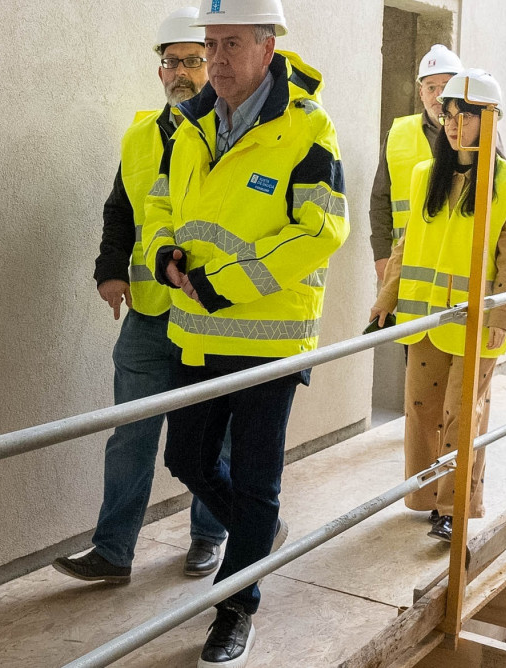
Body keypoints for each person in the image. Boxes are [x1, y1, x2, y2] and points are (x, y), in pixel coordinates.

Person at [141, 0, 348, 664]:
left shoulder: (308, 131)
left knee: (256, 483)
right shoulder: (190, 122)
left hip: (268, 341)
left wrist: (226, 280)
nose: (217, 60)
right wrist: (162, 252)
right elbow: (163, 203)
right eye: (210, 45)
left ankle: (237, 607)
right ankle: (259, 533)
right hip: (196, 330)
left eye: (231, 45)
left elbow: (321, 231)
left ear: (268, 47)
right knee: (187, 460)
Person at [53, 7, 230, 586]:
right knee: (130, 433)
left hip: (206, 315)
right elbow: (120, 210)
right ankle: (114, 551)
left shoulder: (229, 131)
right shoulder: (138, 137)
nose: (181, 72)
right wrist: (110, 271)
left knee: (207, 434)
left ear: (212, 64)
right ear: (159, 70)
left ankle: (209, 535)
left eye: (193, 61)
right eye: (171, 61)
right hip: (150, 317)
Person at [369, 69, 506, 543]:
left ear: (490, 119)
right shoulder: (427, 174)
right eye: (448, 113)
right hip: (425, 317)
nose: (453, 123)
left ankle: (454, 506)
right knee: (423, 412)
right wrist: (386, 298)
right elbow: (406, 245)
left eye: (465, 115)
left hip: (475, 325)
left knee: (463, 415)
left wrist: (500, 322)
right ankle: (426, 497)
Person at [368, 44, 462, 282]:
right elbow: (380, 200)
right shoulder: (399, 133)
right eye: (431, 87)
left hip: (457, 263)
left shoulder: (477, 131)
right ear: (421, 92)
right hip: (406, 264)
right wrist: (381, 256)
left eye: (445, 87)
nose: (438, 95)